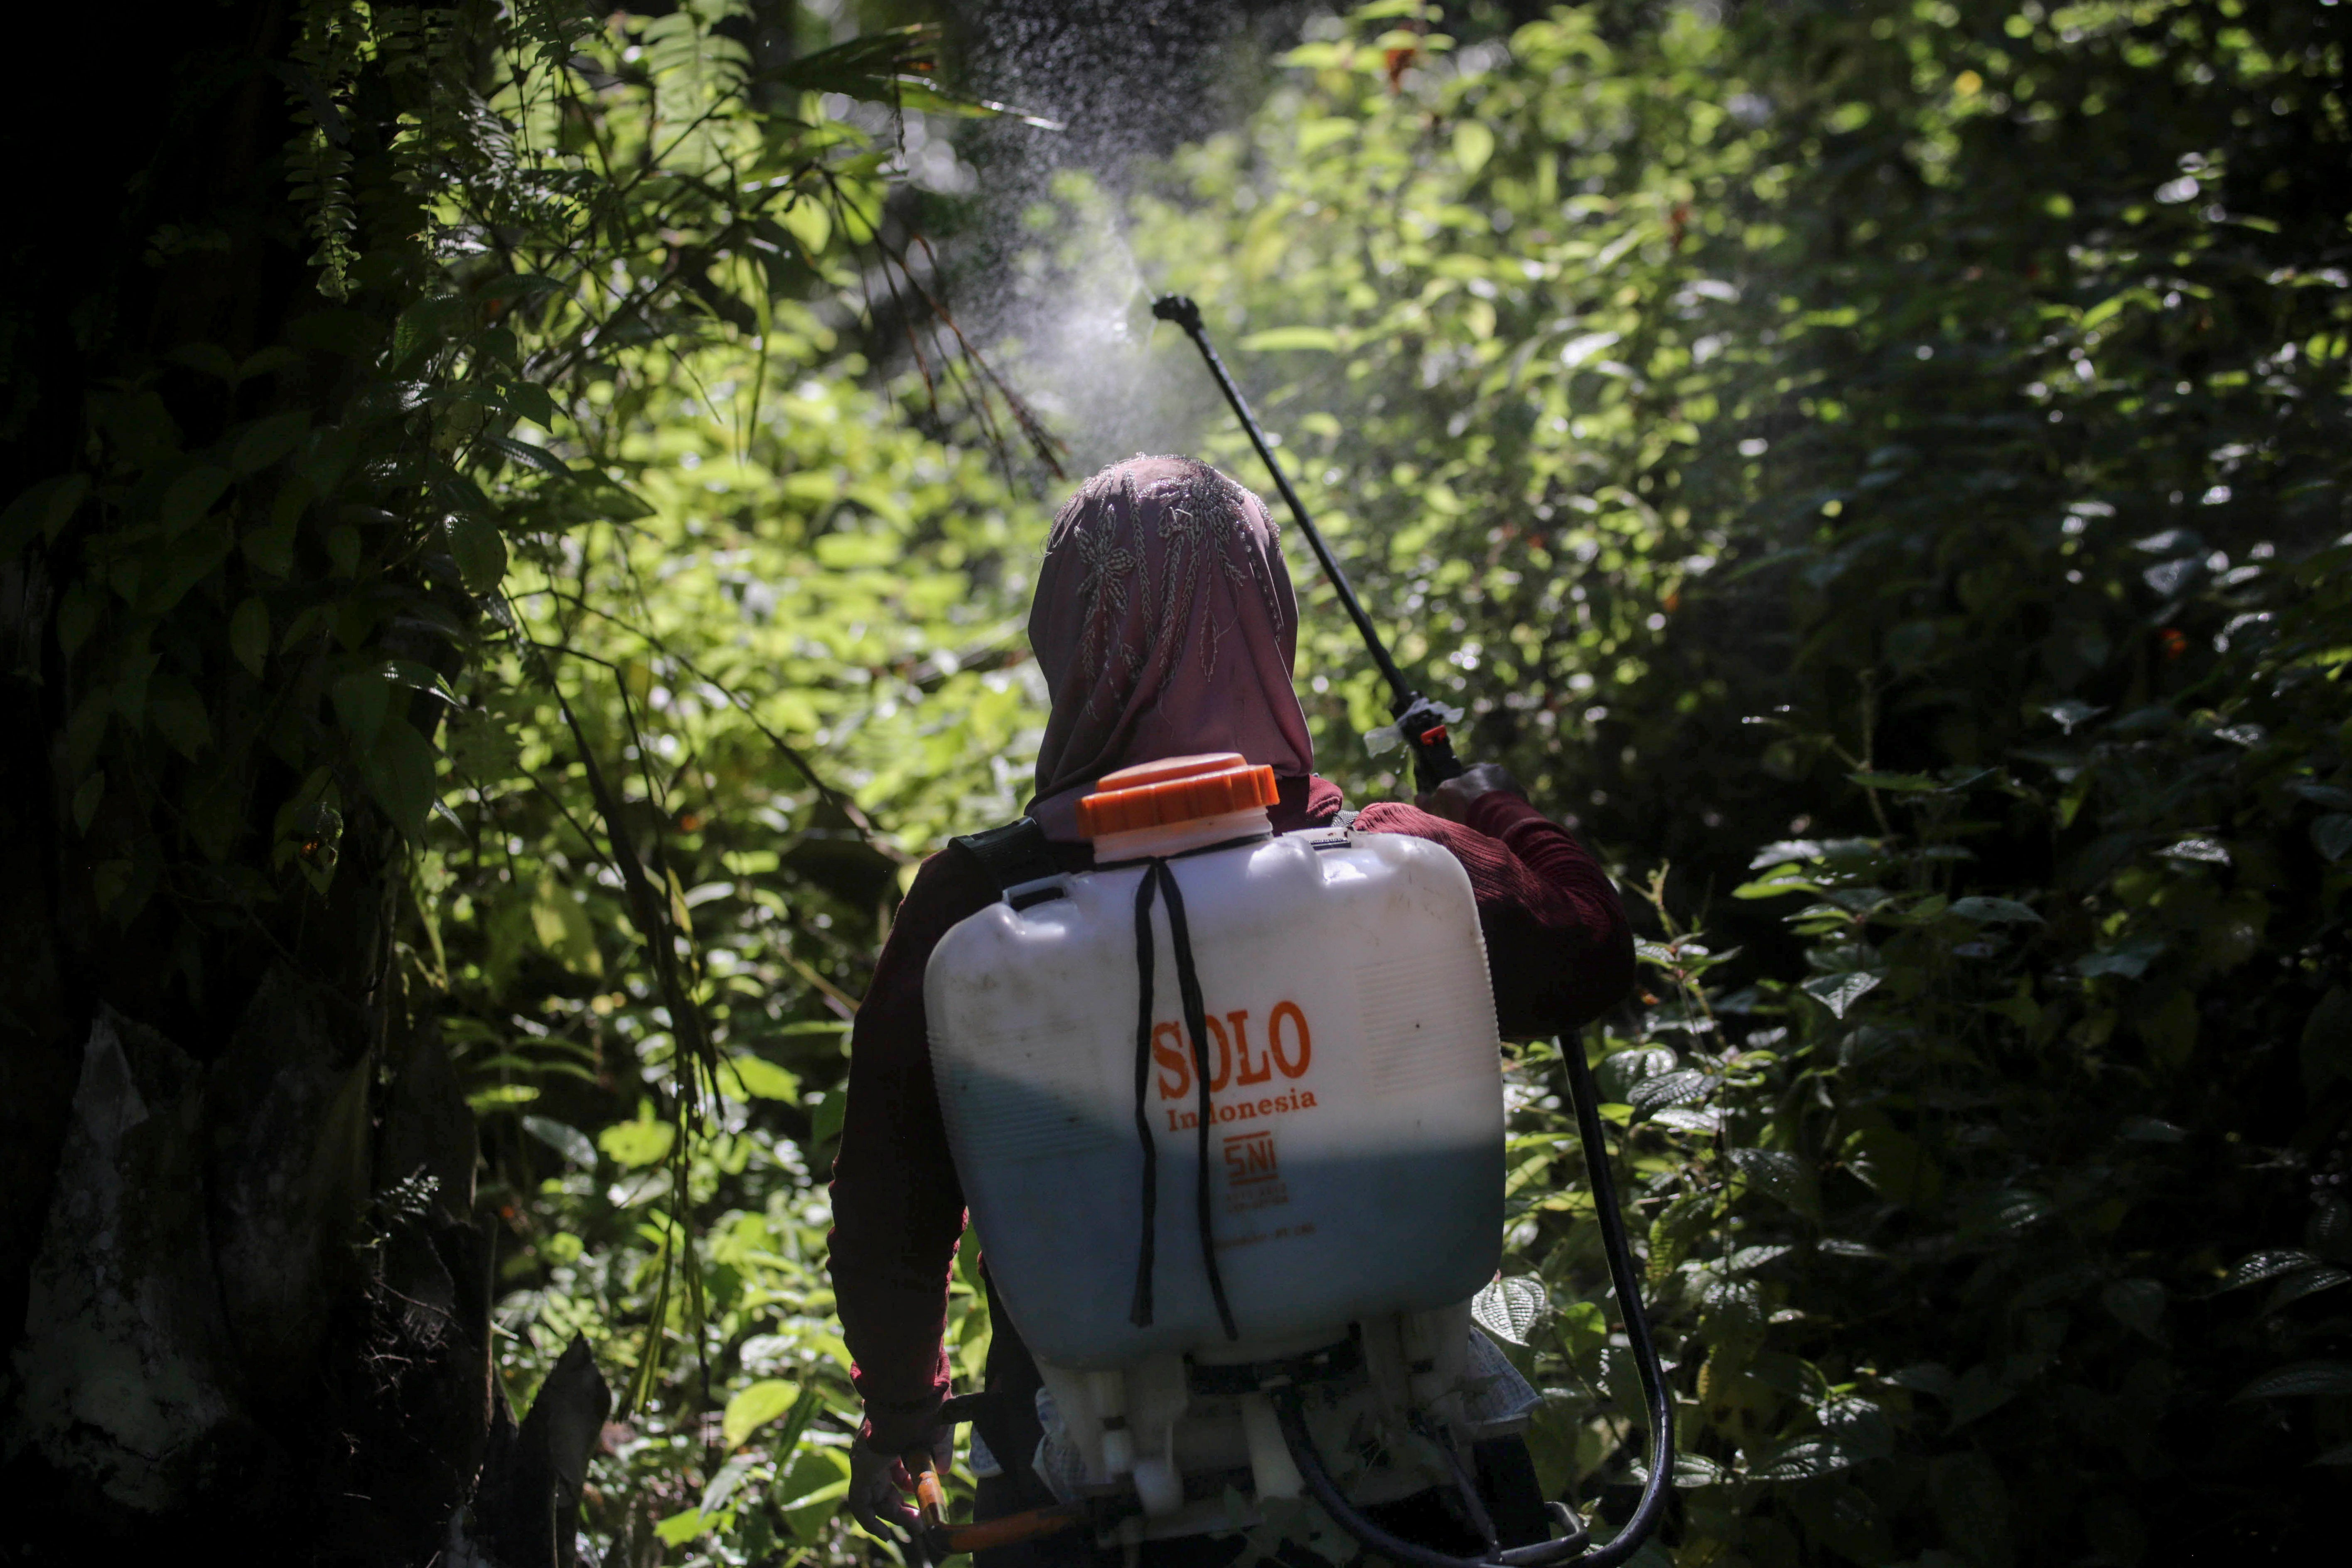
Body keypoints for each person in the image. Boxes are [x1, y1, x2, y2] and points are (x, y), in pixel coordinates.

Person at [828, 455, 1634, 1561]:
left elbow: (890, 1202)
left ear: (1067, 631)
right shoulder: (1395, 860)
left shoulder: (973, 909)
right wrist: (1495, 808)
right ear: (1270, 615)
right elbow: (1593, 952)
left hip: (1094, 1483)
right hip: (1412, 1468)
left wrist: (903, 1420)